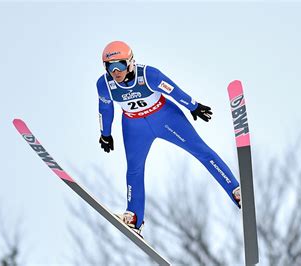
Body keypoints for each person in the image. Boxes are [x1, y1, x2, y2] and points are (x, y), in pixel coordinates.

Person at [97, 41, 241, 236]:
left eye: (120, 65)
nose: (115, 71)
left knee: (201, 151)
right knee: (134, 170)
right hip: (134, 126)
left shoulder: (149, 75)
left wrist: (194, 106)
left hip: (165, 118)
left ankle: (236, 190)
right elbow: (105, 108)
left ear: (131, 62)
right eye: (110, 66)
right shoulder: (104, 84)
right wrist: (105, 134)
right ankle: (134, 217)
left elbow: (172, 90)